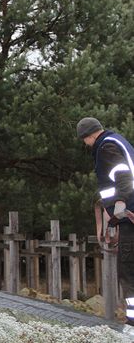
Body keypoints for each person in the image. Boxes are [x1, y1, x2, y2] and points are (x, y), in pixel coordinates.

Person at [77, 117, 134, 326]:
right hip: (128, 212)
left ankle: (132, 322)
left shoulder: (106, 146)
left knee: (128, 270)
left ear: (88, 136)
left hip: (129, 215)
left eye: (84, 140)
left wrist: (119, 201)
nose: (85, 144)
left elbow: (122, 175)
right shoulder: (118, 140)